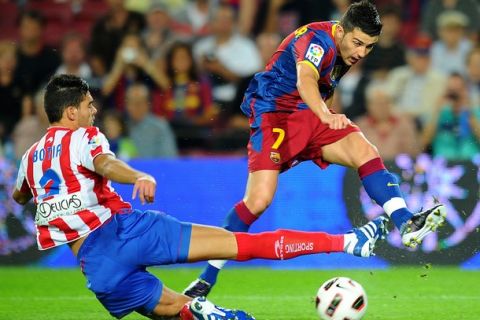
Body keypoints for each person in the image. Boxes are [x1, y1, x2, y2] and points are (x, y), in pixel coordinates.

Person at [11, 74, 387, 320]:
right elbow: (105, 164)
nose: (94, 111)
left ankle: (217, 314)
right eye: (90, 105)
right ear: (71, 111)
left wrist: (52, 197)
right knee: (243, 245)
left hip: (98, 270)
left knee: (182, 310)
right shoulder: (83, 136)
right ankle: (348, 242)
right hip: (126, 232)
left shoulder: (29, 158)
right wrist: (138, 174)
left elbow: (19, 194)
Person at [183, 0, 447, 298]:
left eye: (369, 46)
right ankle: (205, 280)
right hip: (276, 116)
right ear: (341, 29)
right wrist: (325, 115)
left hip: (311, 115)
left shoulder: (347, 50)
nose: (361, 52)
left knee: (365, 151)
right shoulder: (317, 40)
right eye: (358, 42)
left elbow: (324, 86)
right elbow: (305, 78)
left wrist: (323, 116)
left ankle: (405, 221)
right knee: (257, 201)